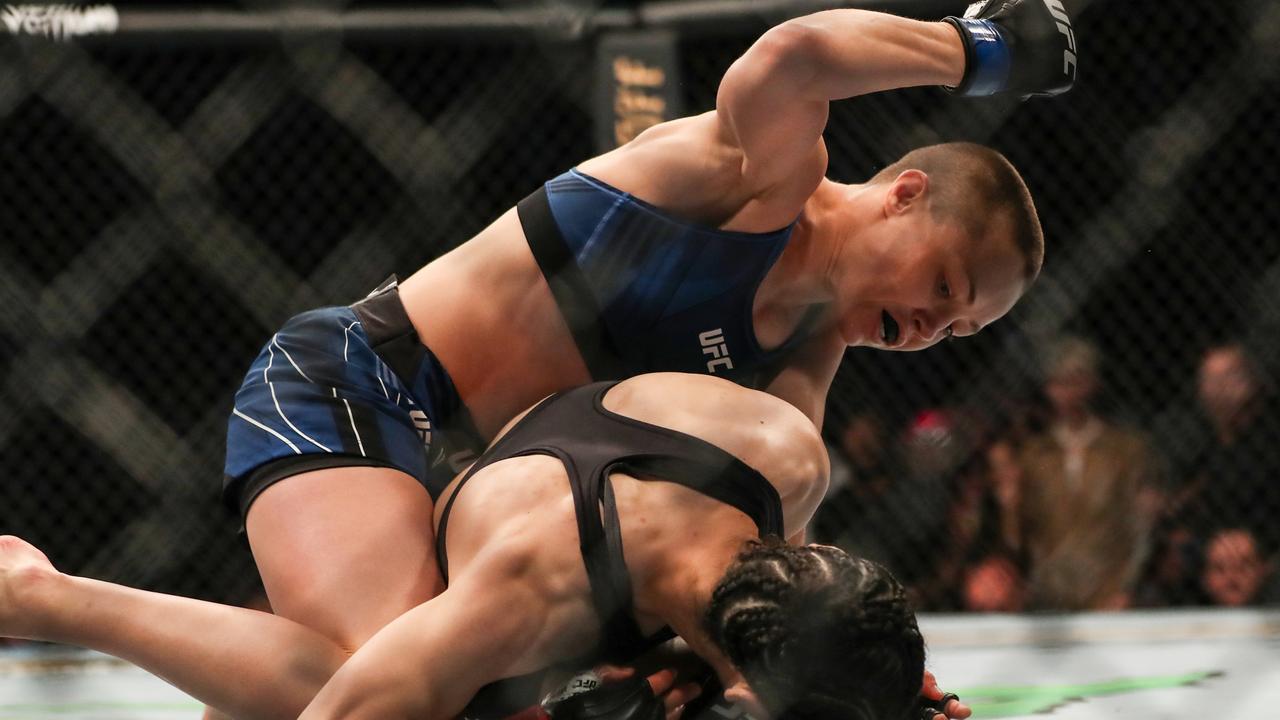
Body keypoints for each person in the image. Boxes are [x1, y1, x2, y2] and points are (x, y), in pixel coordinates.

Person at [219, 2, 1071, 691]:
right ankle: (80, 604)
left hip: (475, 490)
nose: (931, 328)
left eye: (958, 329)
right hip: (361, 383)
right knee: (387, 680)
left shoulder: (803, 371)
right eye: (946, 288)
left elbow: (761, 563)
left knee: (464, 681)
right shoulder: (765, 180)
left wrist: (866, 685)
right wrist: (981, 50)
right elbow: (799, 52)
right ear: (904, 196)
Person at [0, 373, 965, 720]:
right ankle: (38, 594)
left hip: (478, 435)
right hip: (347, 393)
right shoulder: (531, 595)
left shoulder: (789, 458)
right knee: (365, 684)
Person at [1016, 336, 1159, 611]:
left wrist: (1128, 585)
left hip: (1111, 584)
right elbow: (1024, 528)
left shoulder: (1125, 450)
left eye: (1076, 379)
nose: (1067, 392)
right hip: (1049, 587)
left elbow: (1141, 525)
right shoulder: (1033, 455)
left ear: (1093, 383)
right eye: (1059, 382)